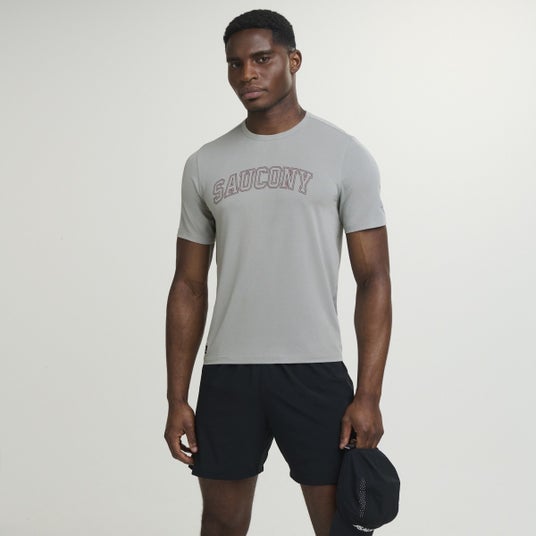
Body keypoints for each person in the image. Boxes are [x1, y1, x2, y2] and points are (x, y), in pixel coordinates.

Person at [164, 9, 392, 536]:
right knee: (221, 523)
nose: (247, 73)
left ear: (294, 60)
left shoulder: (344, 155)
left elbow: (374, 280)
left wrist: (369, 395)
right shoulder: (204, 164)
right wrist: (177, 397)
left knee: (342, 526)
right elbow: (188, 285)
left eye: (262, 58)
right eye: (235, 63)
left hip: (314, 370)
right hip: (228, 374)